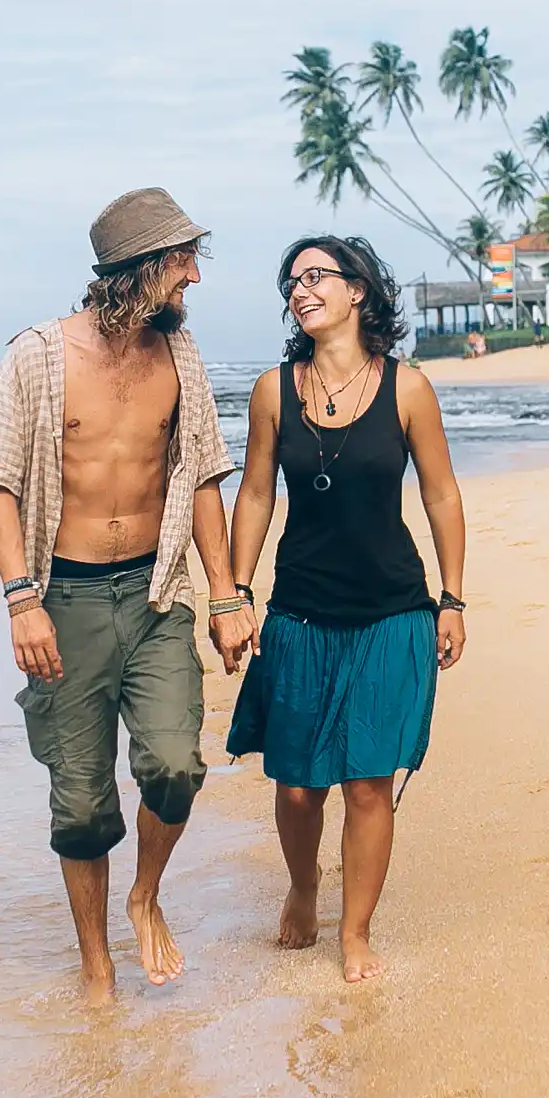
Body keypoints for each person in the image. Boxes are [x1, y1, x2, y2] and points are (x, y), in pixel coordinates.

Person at [0, 188, 255, 1001]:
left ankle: (145, 895)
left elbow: (199, 478)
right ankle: (96, 965)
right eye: (182, 261)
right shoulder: (38, 356)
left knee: (174, 766)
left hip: (158, 594)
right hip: (64, 601)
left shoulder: (180, 359)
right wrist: (21, 600)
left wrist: (227, 599)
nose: (194, 276)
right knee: (83, 800)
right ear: (139, 269)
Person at [224, 235, 467, 983]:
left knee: (367, 781)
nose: (300, 289)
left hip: (393, 609)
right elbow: (257, 492)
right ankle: (304, 886)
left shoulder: (408, 389)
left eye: (316, 276)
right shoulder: (274, 390)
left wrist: (452, 597)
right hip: (299, 609)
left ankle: (355, 932)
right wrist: (236, 593)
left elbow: (440, 494)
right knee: (298, 786)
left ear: (358, 290)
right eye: (291, 281)